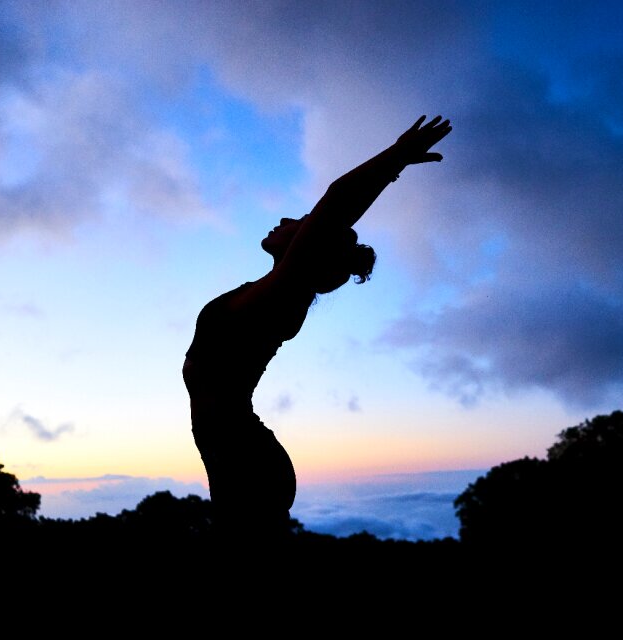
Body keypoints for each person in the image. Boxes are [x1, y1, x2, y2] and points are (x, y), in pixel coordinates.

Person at [183, 115, 452, 541]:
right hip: (236, 460)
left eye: (303, 222)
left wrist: (396, 157)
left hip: (248, 466)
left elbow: (338, 200)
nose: (289, 219)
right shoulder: (268, 291)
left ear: (310, 245)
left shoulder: (284, 297)